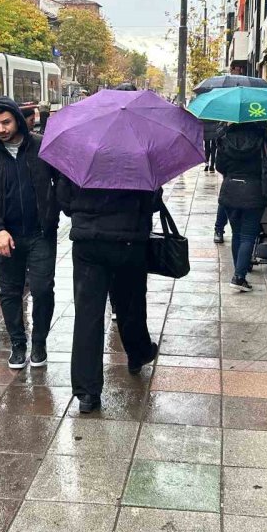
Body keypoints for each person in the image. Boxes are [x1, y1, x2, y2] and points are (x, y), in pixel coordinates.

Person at [56, 176, 160, 414]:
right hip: (129, 241)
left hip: (88, 242)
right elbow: (153, 202)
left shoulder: (79, 154)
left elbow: (63, 201)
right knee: (130, 303)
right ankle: (138, 353)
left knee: (87, 315)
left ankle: (87, 391)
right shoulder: (139, 156)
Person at [0, 96, 59, 370]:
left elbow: (61, 182)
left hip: (40, 233)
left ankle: (39, 342)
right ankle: (18, 344)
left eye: (6, 122)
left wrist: (55, 210)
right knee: (10, 292)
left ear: (17, 119)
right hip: (6, 236)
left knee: (42, 289)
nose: (1, 129)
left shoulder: (42, 146)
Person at [216, 122, 267, 291]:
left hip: (230, 190)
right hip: (254, 191)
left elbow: (219, 166)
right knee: (248, 235)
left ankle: (239, 272)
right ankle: (239, 276)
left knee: (237, 234)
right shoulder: (261, 139)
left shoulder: (225, 137)